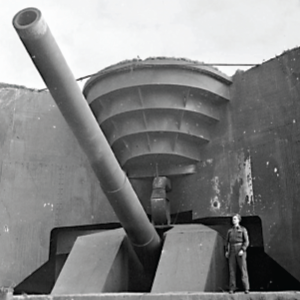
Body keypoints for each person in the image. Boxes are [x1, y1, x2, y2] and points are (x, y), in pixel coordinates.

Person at [225, 214, 250, 294]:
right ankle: (232, 288)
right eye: (233, 219)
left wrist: (243, 249)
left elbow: (246, 241)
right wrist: (227, 251)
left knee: (243, 269)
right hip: (232, 250)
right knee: (232, 270)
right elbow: (227, 242)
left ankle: (246, 288)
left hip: (240, 249)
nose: (234, 220)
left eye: (235, 219)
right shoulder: (230, 231)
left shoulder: (243, 230)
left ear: (239, 220)